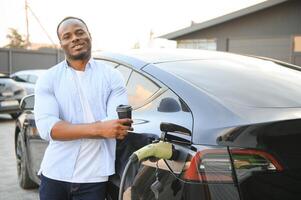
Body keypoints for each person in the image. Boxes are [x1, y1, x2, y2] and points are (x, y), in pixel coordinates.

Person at [34, 16, 132, 200]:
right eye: (67, 36)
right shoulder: (48, 79)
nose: (75, 38)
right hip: (55, 174)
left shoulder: (112, 77)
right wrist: (100, 129)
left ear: (89, 36)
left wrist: (70, 128)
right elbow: (49, 129)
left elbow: (116, 127)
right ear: (61, 44)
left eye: (79, 33)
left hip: (94, 178)